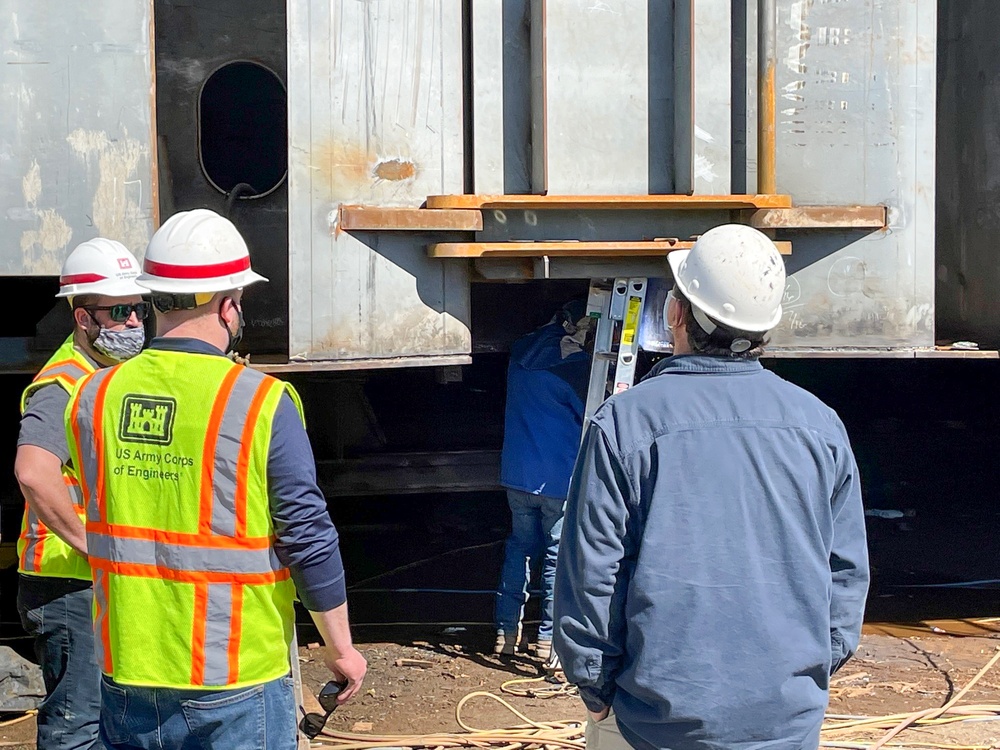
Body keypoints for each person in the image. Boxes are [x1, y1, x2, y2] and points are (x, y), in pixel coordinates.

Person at [553, 224, 870, 750]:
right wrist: (806, 674)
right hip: (784, 723)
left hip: (651, 722)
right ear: (766, 327)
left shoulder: (624, 424)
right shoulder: (820, 427)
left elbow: (591, 576)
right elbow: (845, 574)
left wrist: (594, 684)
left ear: (676, 313)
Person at [64, 208, 367, 750]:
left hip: (127, 668)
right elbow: (307, 534)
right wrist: (340, 648)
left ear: (152, 299)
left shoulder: (93, 396)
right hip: (235, 674)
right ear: (229, 305)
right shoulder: (260, 401)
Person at [15, 238, 148, 750]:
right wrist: (91, 544)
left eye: (138, 308)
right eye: (119, 311)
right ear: (82, 317)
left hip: (88, 580)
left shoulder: (105, 374)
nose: (134, 322)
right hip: (65, 583)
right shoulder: (63, 384)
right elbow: (33, 472)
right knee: (77, 728)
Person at [494, 299, 591, 659]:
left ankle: (504, 633)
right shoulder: (574, 365)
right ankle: (548, 640)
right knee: (556, 557)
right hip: (557, 480)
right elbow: (592, 414)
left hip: (517, 475)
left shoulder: (521, 354)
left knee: (519, 548)